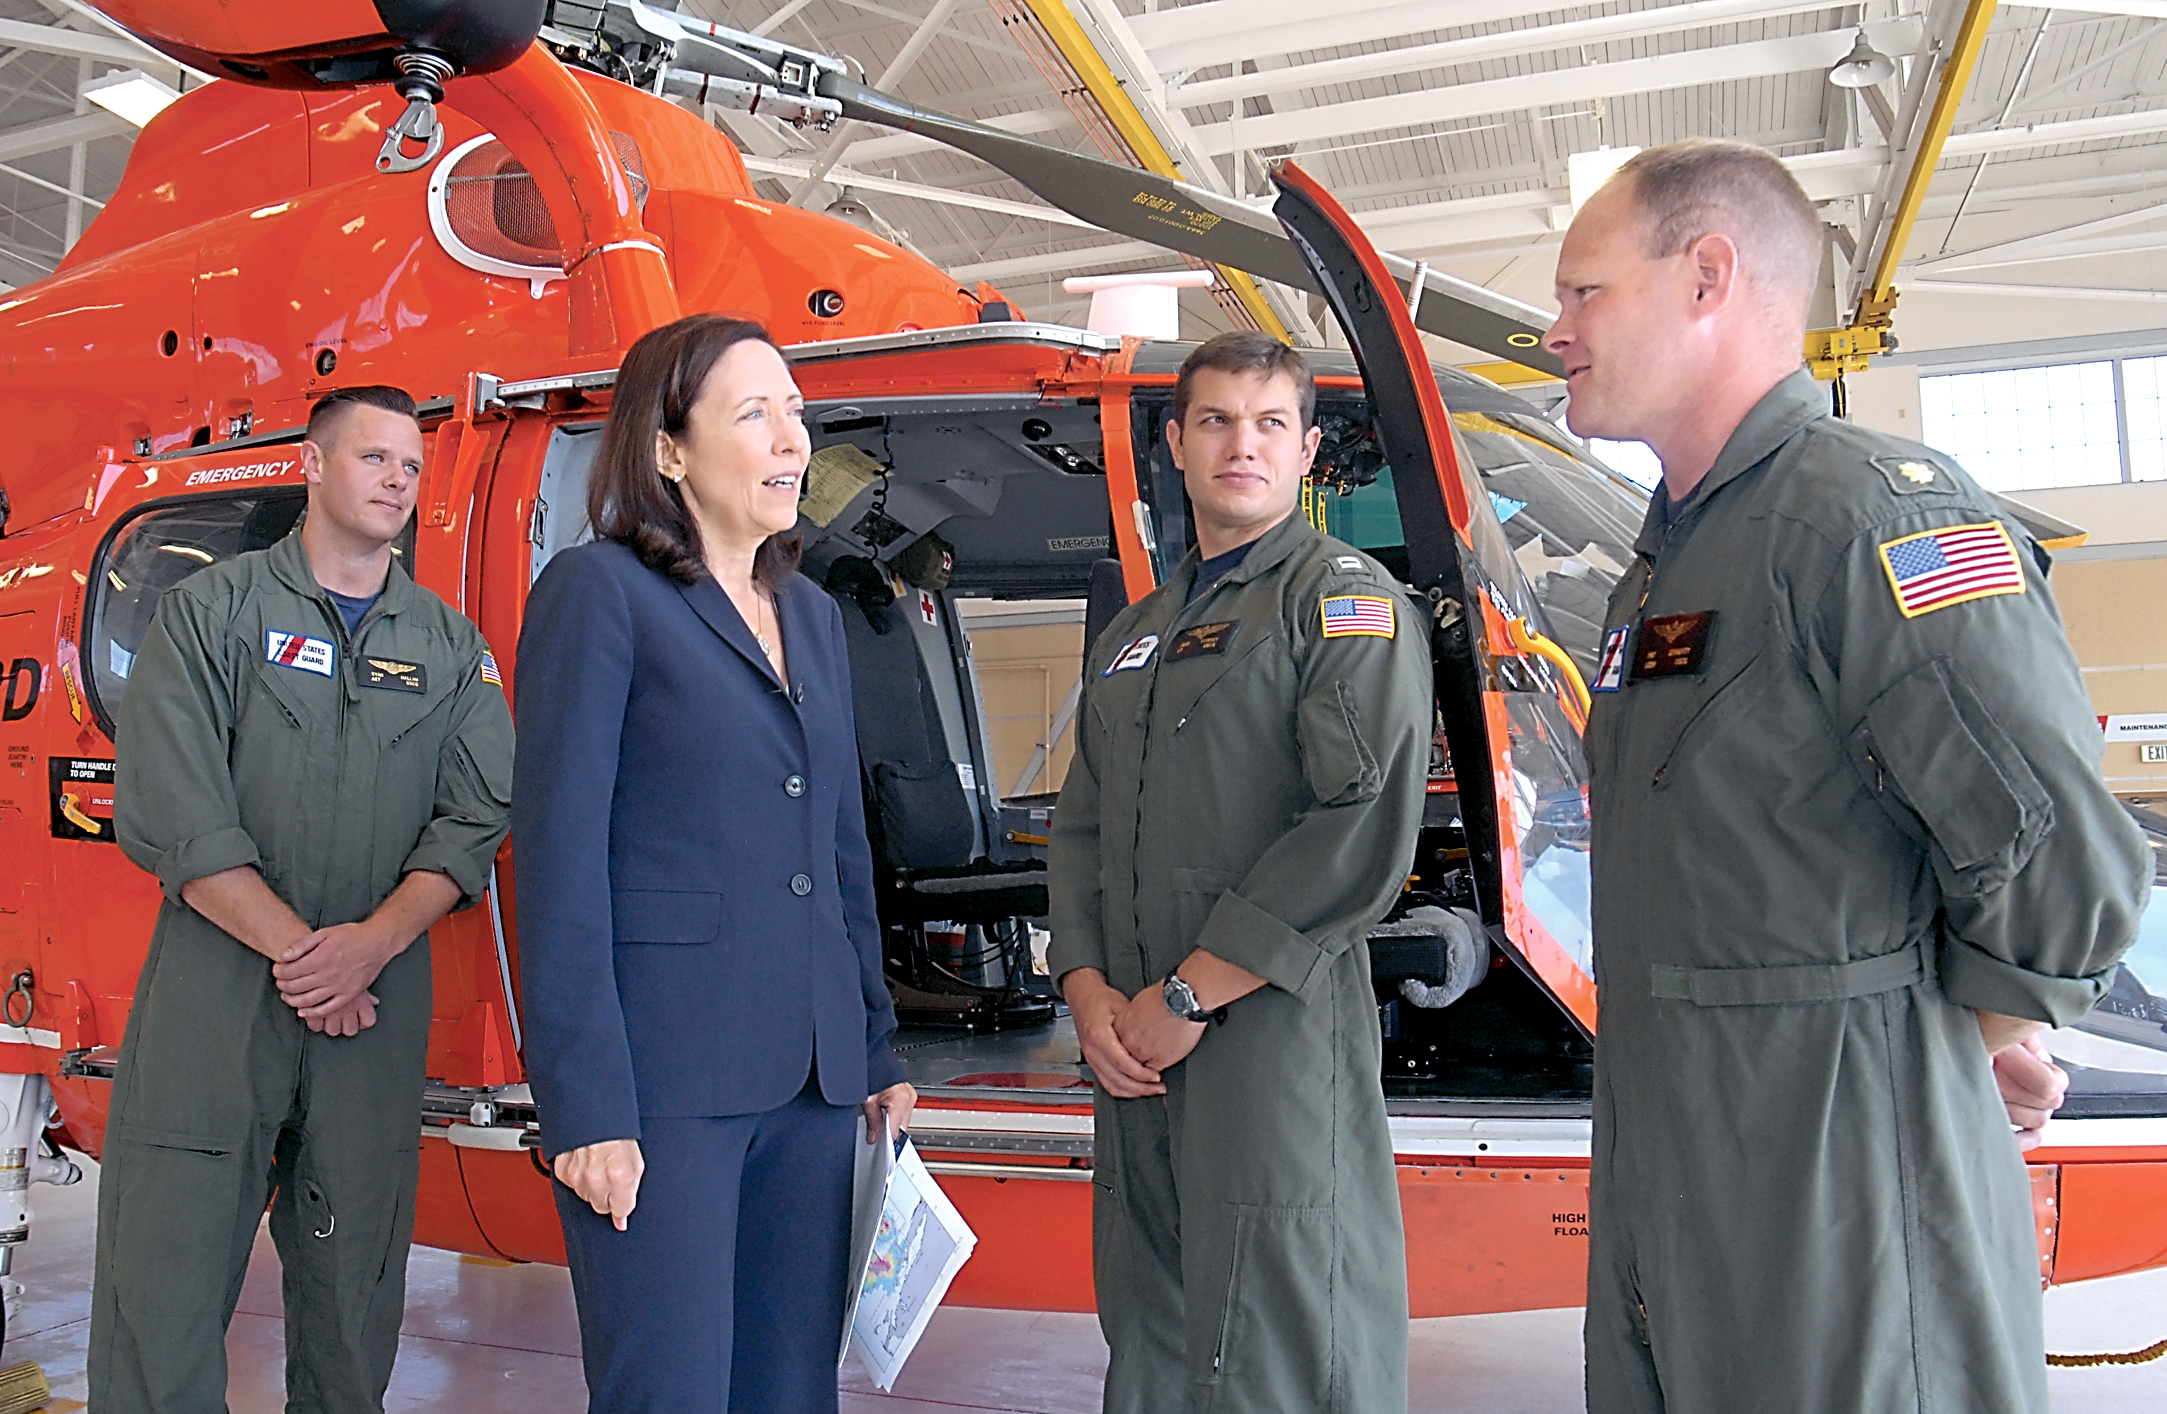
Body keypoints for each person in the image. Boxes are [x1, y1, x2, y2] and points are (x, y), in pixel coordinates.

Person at [1548, 138, 2151, 1414]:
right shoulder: (1663, 564)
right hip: (1674, 1175)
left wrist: (1957, 1036)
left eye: (1581, 291)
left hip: (1842, 1206)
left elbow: (2055, 852)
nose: (1555, 330)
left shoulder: (1871, 517)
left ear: (1707, 276)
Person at [513, 314, 916, 1413]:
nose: (791, 437)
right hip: (663, 1085)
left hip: (813, 1079)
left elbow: (838, 849)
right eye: (754, 413)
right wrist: (586, 1104)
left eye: (794, 410)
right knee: (672, 1389)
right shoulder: (600, 594)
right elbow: (555, 861)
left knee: (790, 1389)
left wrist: (872, 1039)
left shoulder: (816, 617)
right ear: (668, 448)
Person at [93, 386, 515, 1412]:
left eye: (410, 467)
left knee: (352, 1284)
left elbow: (474, 820)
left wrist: (367, 947)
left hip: (367, 1012)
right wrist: (309, 957)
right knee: (167, 1274)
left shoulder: (450, 648)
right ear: (314, 467)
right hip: (215, 999)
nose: (396, 481)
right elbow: (173, 813)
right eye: (374, 459)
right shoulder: (212, 614)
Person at [1046, 331, 1433, 1414]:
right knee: (1155, 1315)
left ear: (1306, 450)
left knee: (1285, 1320)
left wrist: (1188, 991)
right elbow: (1080, 830)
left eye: (1269, 424)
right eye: (1215, 420)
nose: (1240, 445)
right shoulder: (1136, 634)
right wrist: (1087, 995)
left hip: (1266, 1033)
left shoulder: (1340, 603)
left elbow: (1356, 823)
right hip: (1132, 1044)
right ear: (1174, 443)